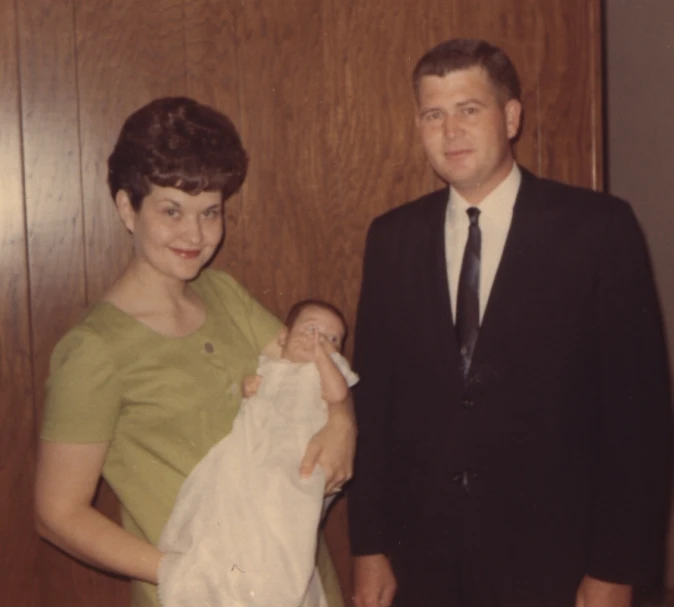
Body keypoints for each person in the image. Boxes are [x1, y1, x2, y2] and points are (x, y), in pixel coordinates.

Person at [348, 38, 673, 607]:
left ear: (512, 116)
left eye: (469, 110)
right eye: (434, 115)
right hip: (424, 564)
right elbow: (374, 406)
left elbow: (638, 421)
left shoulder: (597, 229)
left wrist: (617, 571)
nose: (451, 132)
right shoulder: (392, 238)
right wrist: (368, 546)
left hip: (558, 566)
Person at [34, 96, 355, 607]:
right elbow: (57, 512)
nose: (195, 235)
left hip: (297, 578)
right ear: (126, 208)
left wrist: (342, 420)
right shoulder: (94, 349)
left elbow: (311, 370)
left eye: (210, 213)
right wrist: (181, 572)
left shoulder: (224, 294)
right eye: (171, 211)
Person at [158, 299, 359, 607]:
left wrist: (322, 357)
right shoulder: (271, 365)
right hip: (256, 447)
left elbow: (337, 395)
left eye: (333, 339)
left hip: (295, 454)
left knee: (284, 518)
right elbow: (255, 401)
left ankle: (279, 591)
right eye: (311, 330)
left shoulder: (329, 371)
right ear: (283, 336)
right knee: (229, 496)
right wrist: (249, 388)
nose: (320, 340)